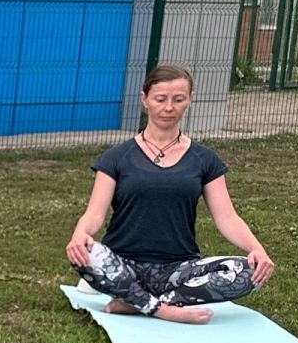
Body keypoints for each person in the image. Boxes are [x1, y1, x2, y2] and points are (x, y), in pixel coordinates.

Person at [67, 63, 274, 325]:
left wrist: (256, 248)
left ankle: (135, 302)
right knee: (85, 253)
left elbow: (227, 218)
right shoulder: (116, 157)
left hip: (179, 269)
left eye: (178, 99)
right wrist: (79, 234)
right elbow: (94, 215)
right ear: (145, 100)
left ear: (189, 100)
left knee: (249, 271)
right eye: (160, 99)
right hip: (122, 264)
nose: (168, 108)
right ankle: (166, 309)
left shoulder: (204, 159)